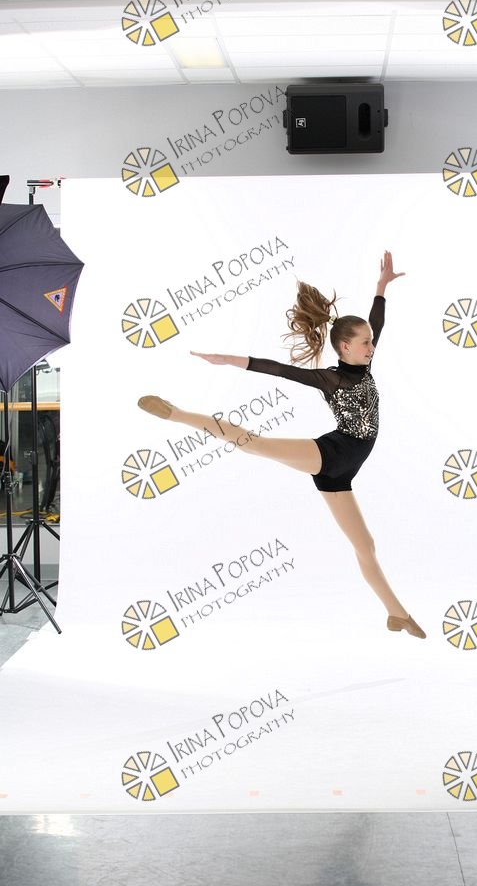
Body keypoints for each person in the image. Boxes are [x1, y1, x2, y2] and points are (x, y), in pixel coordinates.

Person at [138, 251, 426, 640]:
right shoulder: (331, 379)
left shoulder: (365, 364)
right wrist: (228, 359)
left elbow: (377, 322)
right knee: (254, 444)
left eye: (371, 342)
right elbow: (279, 370)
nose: (371, 347)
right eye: (364, 343)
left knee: (366, 546)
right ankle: (178, 414)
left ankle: (396, 614)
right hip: (333, 453)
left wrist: (381, 287)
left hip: (344, 473)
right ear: (344, 348)